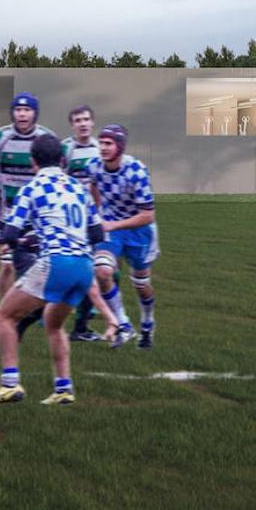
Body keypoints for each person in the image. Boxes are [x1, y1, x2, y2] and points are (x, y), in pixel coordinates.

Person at [0, 134, 117, 406]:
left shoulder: (33, 186)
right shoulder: (78, 187)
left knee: (4, 316)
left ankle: (10, 384)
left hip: (57, 263)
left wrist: (27, 240)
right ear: (62, 160)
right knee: (54, 324)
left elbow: (8, 233)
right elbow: (97, 233)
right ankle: (64, 388)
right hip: (84, 267)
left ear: (33, 161)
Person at [0, 92, 58, 296]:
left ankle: (40, 307)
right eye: (18, 110)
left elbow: (57, 176)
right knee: (7, 264)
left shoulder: (46, 138)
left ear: (35, 113)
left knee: (42, 263)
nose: (22, 114)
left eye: (27, 110)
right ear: (12, 113)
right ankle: (6, 310)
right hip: (6, 215)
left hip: (37, 214)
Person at [61, 105, 131, 342]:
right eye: (78, 119)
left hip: (100, 218)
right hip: (74, 221)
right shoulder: (66, 149)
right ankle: (80, 325)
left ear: (92, 123)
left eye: (86, 119)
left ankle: (101, 315)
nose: (82, 123)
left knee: (110, 270)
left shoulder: (99, 149)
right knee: (87, 271)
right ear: (72, 124)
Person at [86, 124, 160, 350]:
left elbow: (148, 215)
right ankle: (124, 324)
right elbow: (93, 187)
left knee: (141, 283)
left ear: (120, 146)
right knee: (102, 271)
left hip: (140, 232)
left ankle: (147, 322)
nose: (103, 147)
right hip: (112, 229)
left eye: (109, 143)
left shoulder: (136, 171)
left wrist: (113, 223)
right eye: (101, 143)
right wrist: (99, 214)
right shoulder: (94, 167)